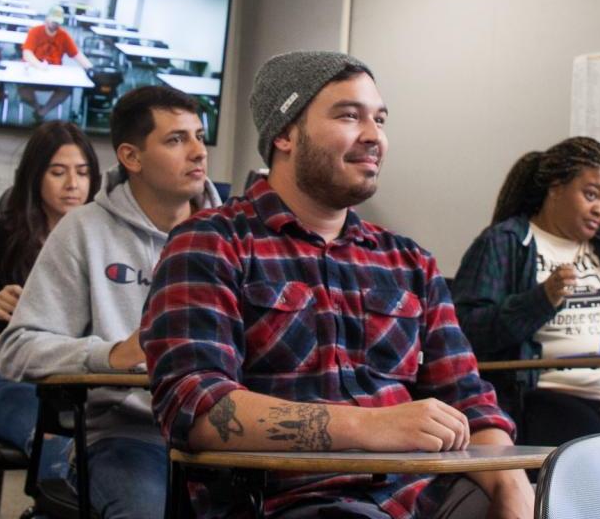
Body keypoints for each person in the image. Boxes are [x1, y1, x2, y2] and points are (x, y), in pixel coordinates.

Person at [143, 51, 533, 519]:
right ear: (284, 134)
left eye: (380, 120)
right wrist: (373, 426)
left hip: (422, 496)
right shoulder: (210, 243)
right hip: (288, 502)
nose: (374, 137)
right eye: (349, 116)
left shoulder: (408, 261)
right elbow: (199, 407)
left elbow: (470, 400)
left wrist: (512, 487)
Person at [0, 85, 217, 518]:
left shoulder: (230, 233)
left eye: (199, 136)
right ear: (131, 157)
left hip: (226, 432)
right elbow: (17, 348)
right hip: (127, 432)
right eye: (176, 139)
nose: (198, 153)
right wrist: (110, 355)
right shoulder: (85, 230)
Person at [451, 136, 600, 447]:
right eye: (591, 195)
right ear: (555, 188)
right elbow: (466, 332)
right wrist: (540, 301)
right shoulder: (506, 242)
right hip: (547, 392)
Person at [0, 120, 100, 480]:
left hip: (87, 378)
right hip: (13, 378)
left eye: (83, 173)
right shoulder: (3, 234)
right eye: (58, 172)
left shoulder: (102, 243)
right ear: (35, 177)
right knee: (59, 447)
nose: (74, 185)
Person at [18, 6, 92, 122]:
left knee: (66, 89)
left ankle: (43, 112)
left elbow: (76, 54)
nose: (55, 25)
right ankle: (38, 108)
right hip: (34, 72)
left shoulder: (63, 35)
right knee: (23, 90)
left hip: (54, 74)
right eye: (53, 21)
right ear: (47, 19)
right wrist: (39, 66)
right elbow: (27, 54)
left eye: (58, 22)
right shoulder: (35, 32)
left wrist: (90, 68)